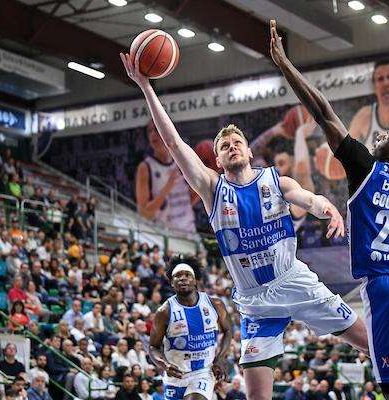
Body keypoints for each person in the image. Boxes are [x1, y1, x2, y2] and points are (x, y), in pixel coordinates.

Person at [121, 49, 367, 400]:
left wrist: (328, 209)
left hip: (295, 281)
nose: (233, 147)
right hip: (255, 301)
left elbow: (309, 199)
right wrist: (147, 87)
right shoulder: (212, 189)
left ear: (249, 152)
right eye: (225, 146)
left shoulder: (275, 181)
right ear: (218, 160)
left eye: (238, 142)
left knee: (371, 344)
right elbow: (174, 143)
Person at [270, 19, 389, 400]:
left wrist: (285, 65)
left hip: (386, 287)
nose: (376, 138)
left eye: (384, 138)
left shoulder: (366, 168)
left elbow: (322, 111)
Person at [148, 256, 232, 400]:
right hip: (175, 375)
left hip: (203, 372)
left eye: (187, 275)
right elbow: (153, 347)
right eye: (178, 276)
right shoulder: (164, 312)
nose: (183, 278)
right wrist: (165, 365)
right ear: (172, 283)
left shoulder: (215, 304)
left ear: (195, 280)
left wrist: (220, 358)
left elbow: (228, 331)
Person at [136, 120, 196, 233]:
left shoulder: (181, 161)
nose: (153, 134)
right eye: (149, 131)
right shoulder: (145, 167)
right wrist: (168, 187)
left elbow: (186, 203)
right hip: (166, 237)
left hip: (190, 233)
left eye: (156, 129)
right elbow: (144, 214)